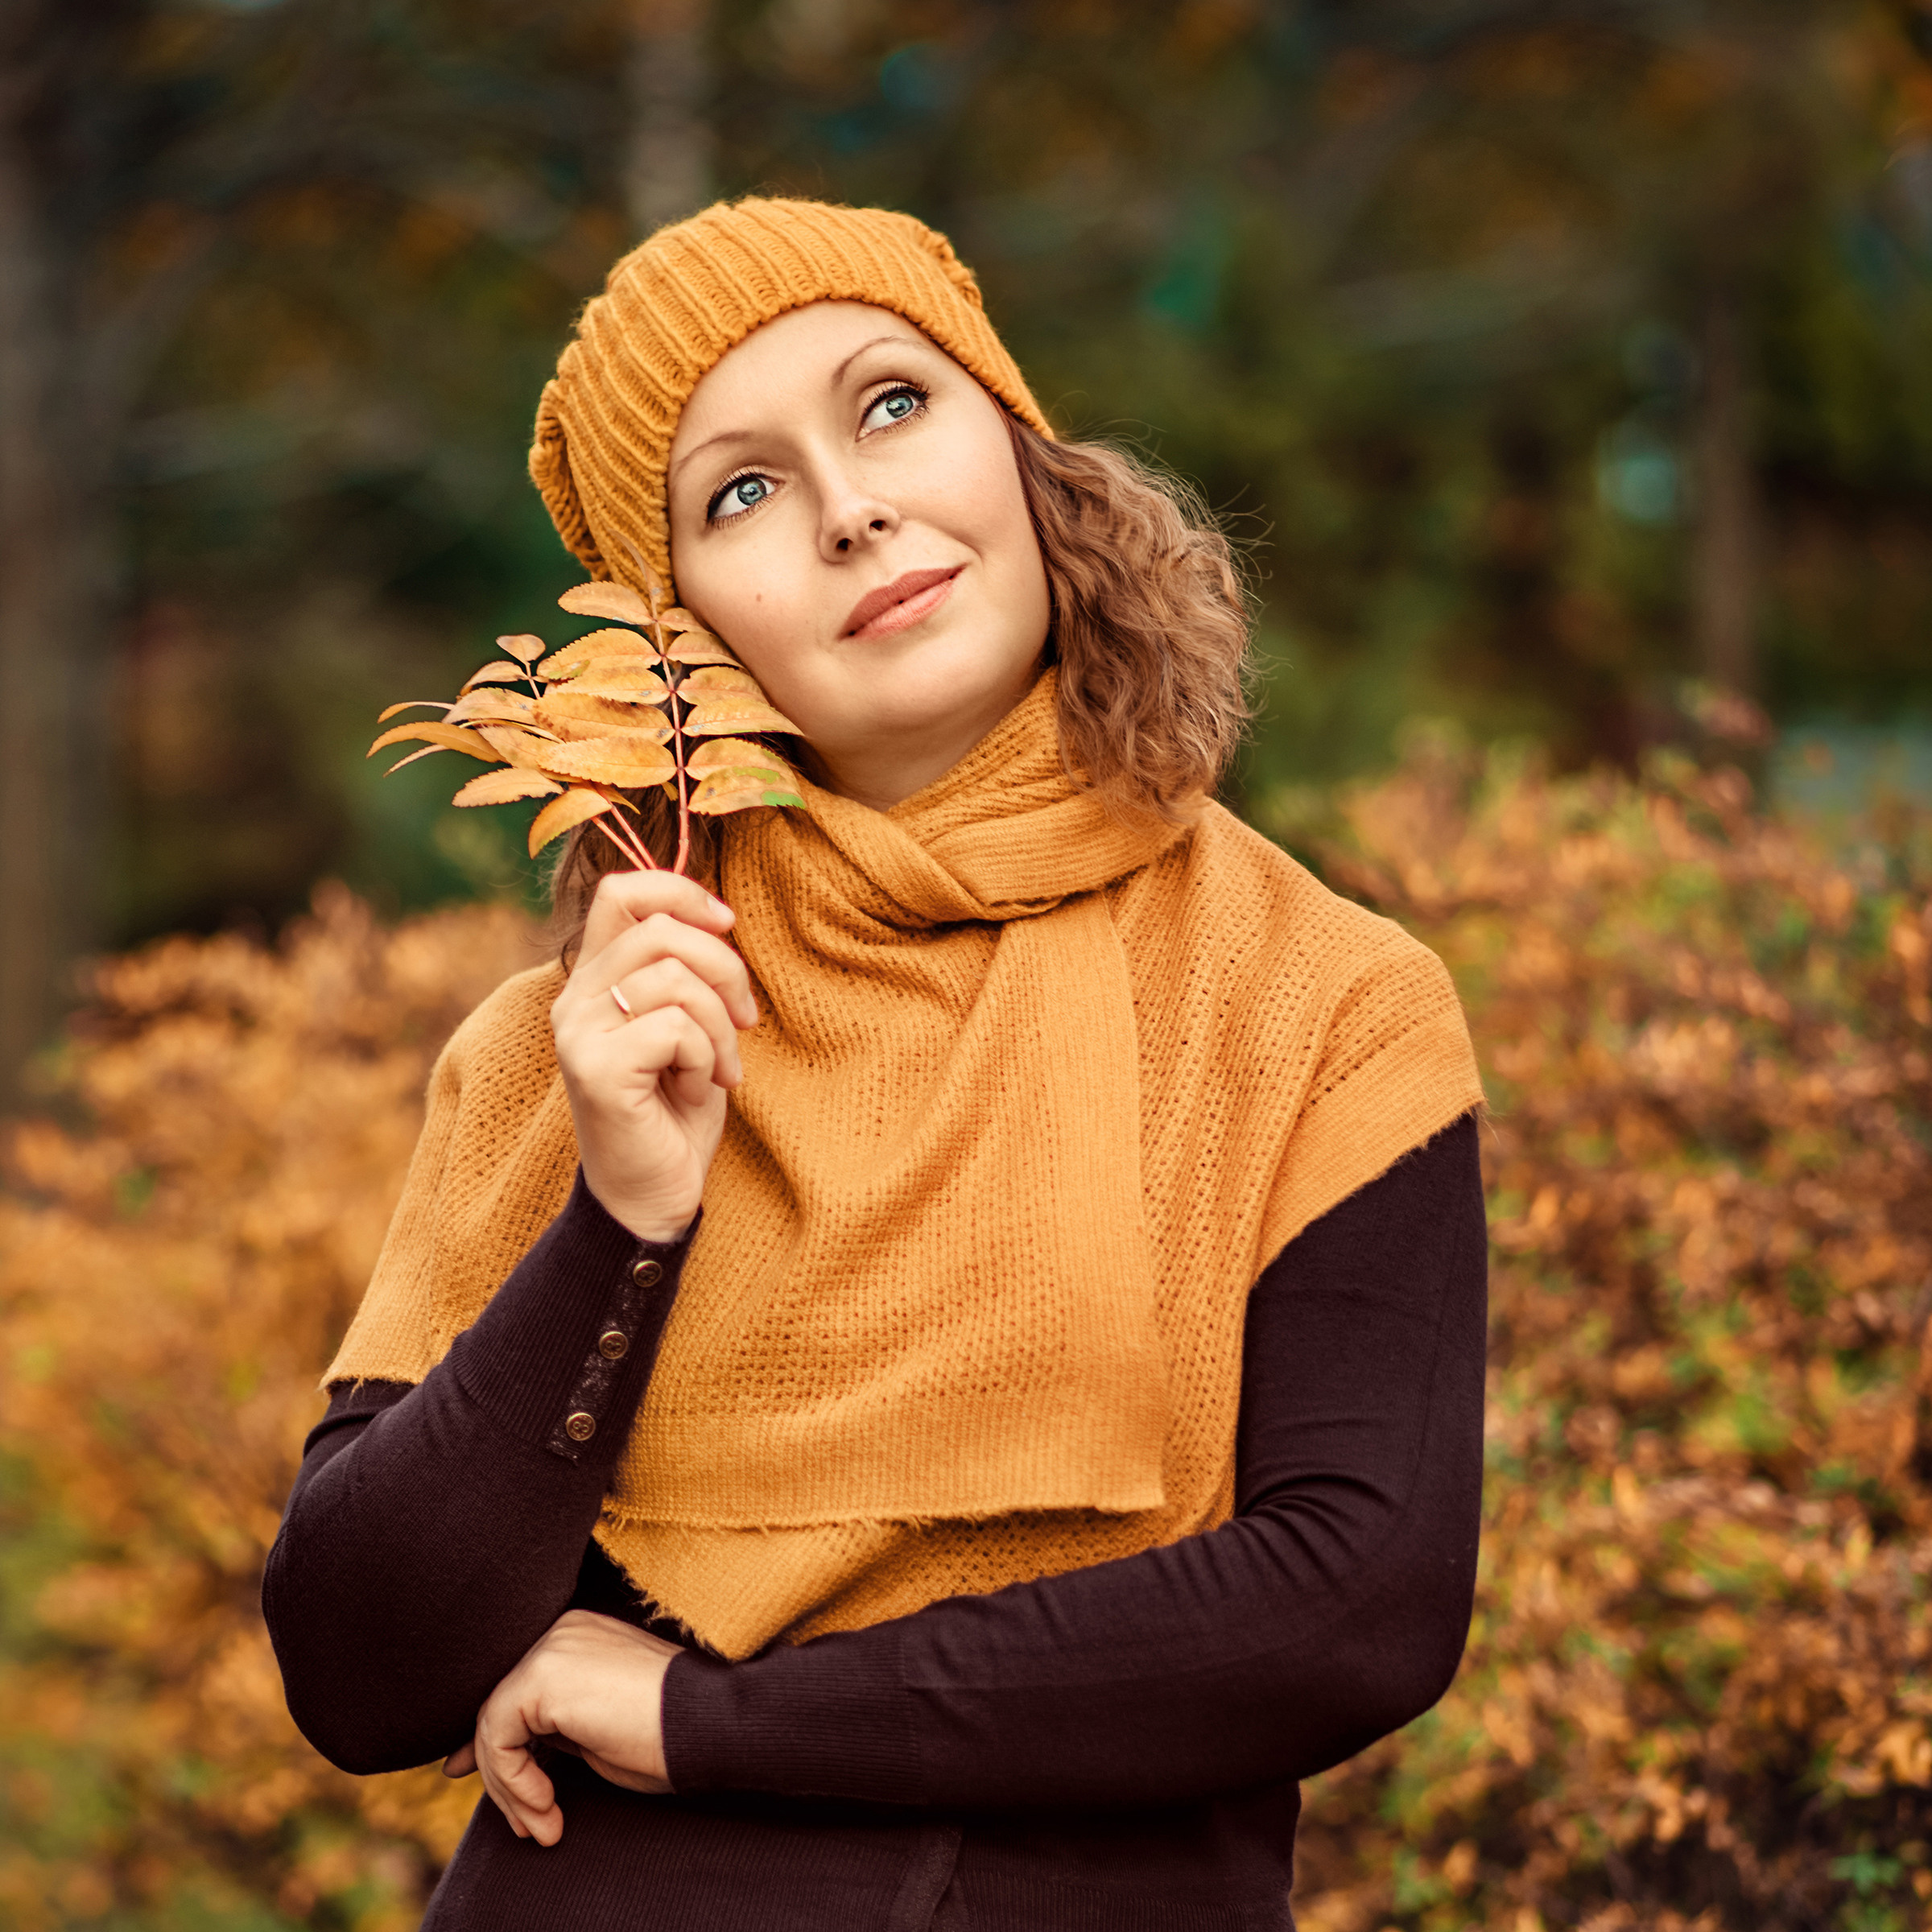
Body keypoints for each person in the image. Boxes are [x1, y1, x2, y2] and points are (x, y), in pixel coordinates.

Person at [263, 196, 1488, 1932]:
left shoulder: (1325, 1004)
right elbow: (360, 1668)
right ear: (675, 632)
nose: (854, 511)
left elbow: (1349, 1606)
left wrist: (711, 1718)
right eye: (741, 492)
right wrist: (622, 1214)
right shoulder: (591, 1043)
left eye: (894, 403)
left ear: (1019, 440)